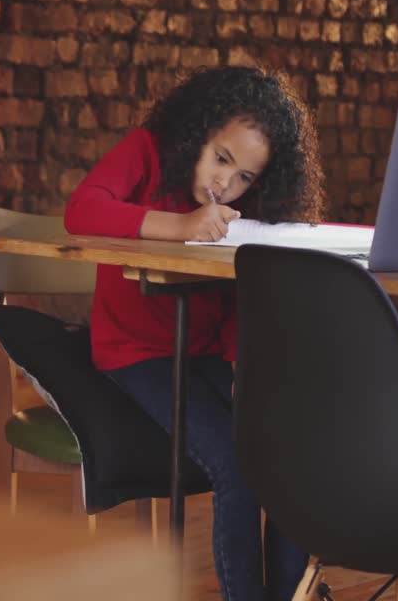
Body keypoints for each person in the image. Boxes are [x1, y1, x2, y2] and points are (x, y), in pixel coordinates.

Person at [64, 65, 326, 601]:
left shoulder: (244, 208)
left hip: (204, 350)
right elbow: (82, 209)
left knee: (288, 453)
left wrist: (240, 373)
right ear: (196, 131)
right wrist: (180, 227)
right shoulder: (148, 152)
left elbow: (235, 297)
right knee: (235, 465)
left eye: (245, 177)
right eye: (221, 157)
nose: (224, 183)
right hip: (136, 352)